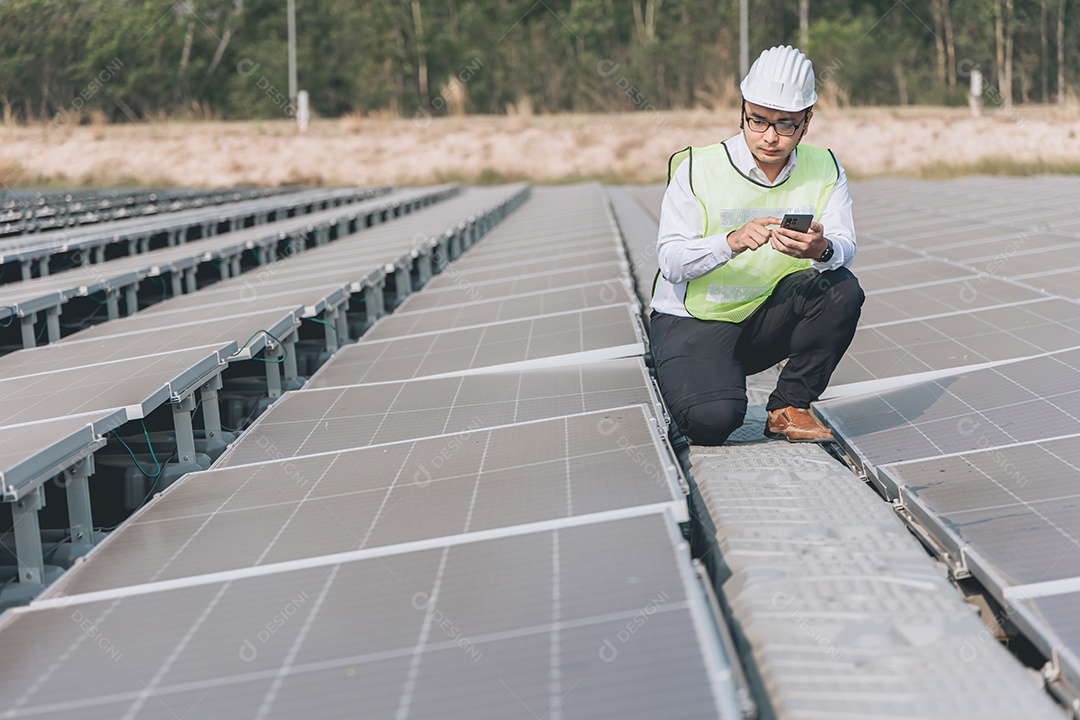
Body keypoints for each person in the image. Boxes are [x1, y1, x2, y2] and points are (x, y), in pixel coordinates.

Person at [649, 45, 864, 445]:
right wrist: (729, 242)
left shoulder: (825, 167)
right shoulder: (696, 168)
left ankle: (788, 406)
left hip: (765, 321)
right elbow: (671, 261)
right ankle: (686, 374)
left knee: (841, 287)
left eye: (785, 125)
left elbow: (845, 244)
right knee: (711, 423)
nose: (769, 137)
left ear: (806, 122)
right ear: (742, 111)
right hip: (695, 321)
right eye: (758, 121)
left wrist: (821, 249)